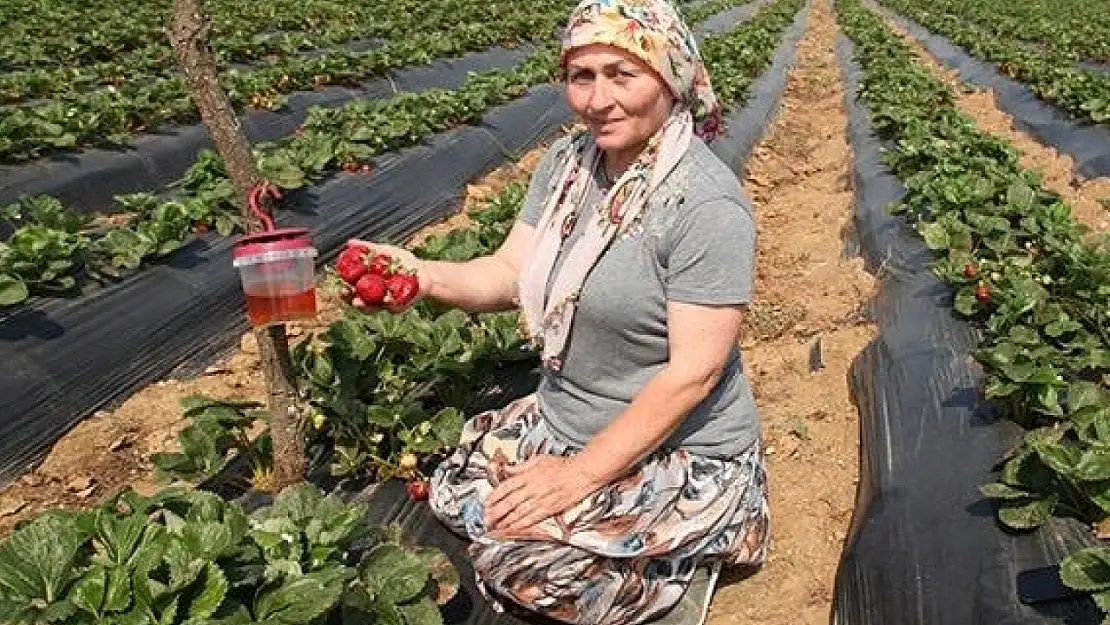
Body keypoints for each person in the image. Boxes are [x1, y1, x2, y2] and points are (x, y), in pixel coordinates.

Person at [351, 0, 769, 622]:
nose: (598, 99)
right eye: (582, 76)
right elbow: (511, 271)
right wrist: (424, 274)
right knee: (459, 496)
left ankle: (688, 562)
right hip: (566, 417)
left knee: (515, 565)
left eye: (622, 75)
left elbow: (694, 374)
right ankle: (633, 541)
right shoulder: (570, 163)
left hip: (681, 447)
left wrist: (576, 477)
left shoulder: (703, 206)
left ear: (671, 79)